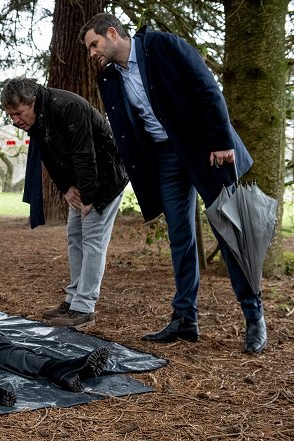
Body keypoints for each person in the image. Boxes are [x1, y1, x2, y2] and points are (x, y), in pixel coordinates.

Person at [79, 13, 266, 353]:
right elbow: (123, 135)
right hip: (165, 160)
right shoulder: (108, 79)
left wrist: (222, 141)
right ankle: (185, 318)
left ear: (112, 33)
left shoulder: (162, 46)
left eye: (94, 44)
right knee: (180, 236)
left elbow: (206, 88)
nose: (92, 53)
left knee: (231, 231)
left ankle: (254, 317)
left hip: (205, 150)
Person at [0, 77, 128, 330]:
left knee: (92, 241)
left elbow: (85, 153)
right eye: (10, 115)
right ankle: (72, 300)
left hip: (104, 179)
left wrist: (89, 197)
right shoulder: (36, 119)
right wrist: (66, 189)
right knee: (75, 237)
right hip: (80, 184)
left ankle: (84, 308)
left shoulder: (68, 106)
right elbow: (47, 155)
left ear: (32, 101)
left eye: (18, 113)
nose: (15, 120)